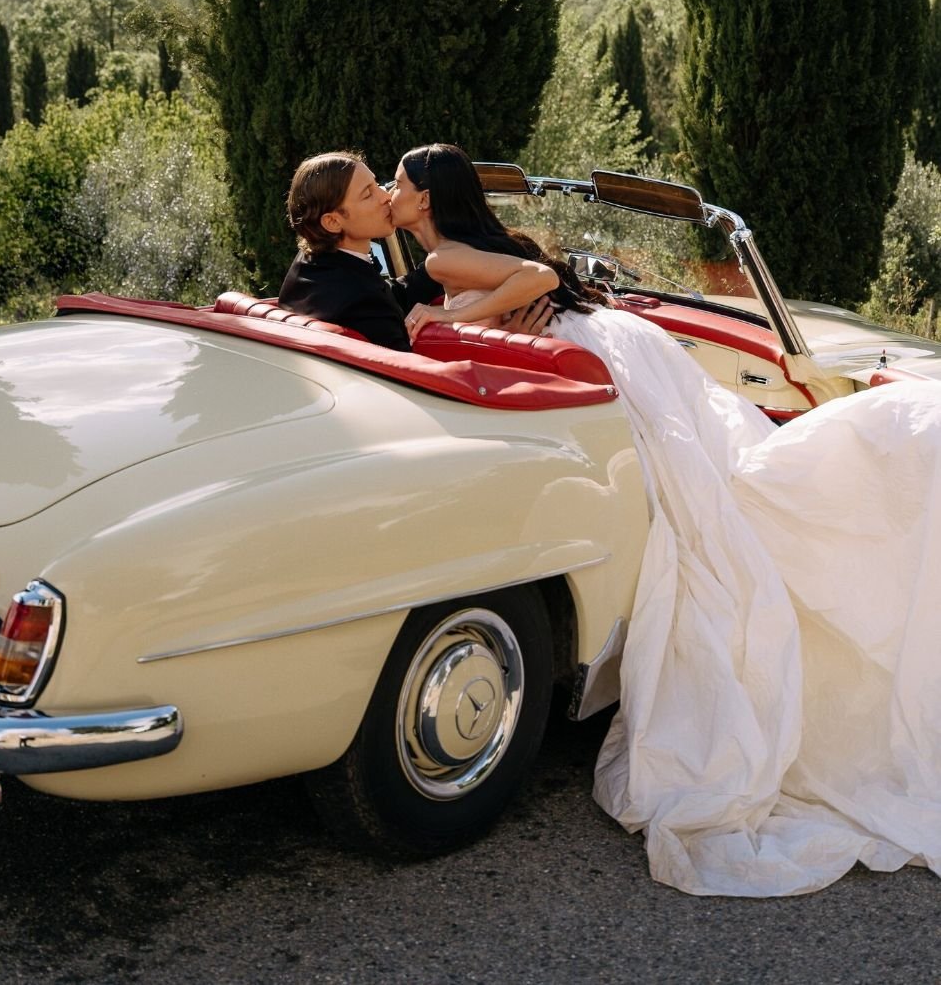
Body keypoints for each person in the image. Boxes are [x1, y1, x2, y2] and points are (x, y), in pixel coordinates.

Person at [390, 142, 941, 898]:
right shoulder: (447, 250)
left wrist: (448, 314)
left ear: (426, 198)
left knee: (721, 486)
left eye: (397, 182)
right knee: (727, 469)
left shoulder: (445, 260)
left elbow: (544, 277)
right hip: (609, 342)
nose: (389, 192)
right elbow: (540, 280)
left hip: (593, 347)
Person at [278, 150, 553, 350]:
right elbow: (412, 372)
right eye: (368, 194)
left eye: (378, 185)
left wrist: (442, 264)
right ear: (333, 221)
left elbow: (390, 296)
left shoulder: (309, 269)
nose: (385, 196)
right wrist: (506, 341)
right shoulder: (360, 299)